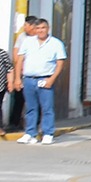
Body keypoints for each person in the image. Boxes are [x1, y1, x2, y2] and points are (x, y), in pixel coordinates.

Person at [16, 15, 67, 144]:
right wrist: (17, 78)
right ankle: (30, 133)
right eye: (38, 28)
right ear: (35, 29)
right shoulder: (28, 42)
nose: (40, 30)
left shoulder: (56, 43)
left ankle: (48, 133)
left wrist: (52, 79)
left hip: (45, 78)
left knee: (47, 107)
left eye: (43, 28)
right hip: (29, 79)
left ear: (48, 28)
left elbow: (60, 63)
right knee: (30, 108)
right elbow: (20, 60)